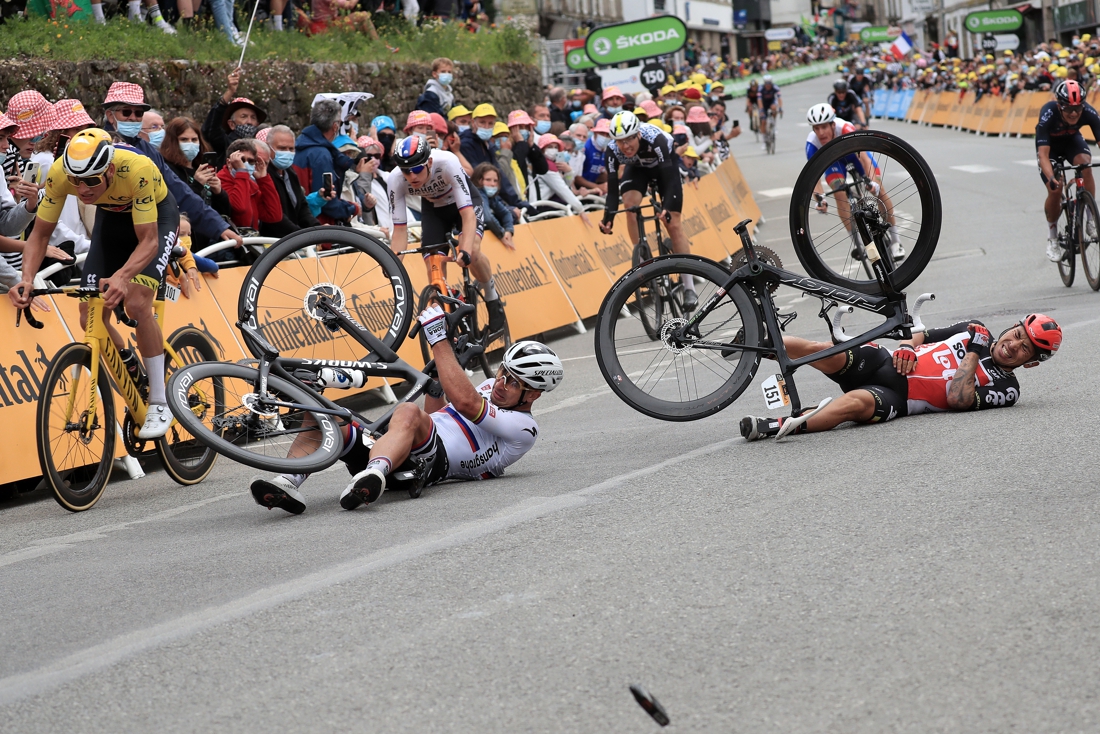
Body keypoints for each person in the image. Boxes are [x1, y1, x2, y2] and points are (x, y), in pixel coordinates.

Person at [248, 303, 563, 514]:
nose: (500, 382)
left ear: (532, 395)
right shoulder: (489, 390)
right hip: (406, 442)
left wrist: (438, 340)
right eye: (502, 372)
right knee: (322, 414)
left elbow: (465, 404)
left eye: (512, 382)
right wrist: (440, 379)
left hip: (433, 464)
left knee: (409, 412)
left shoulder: (525, 429)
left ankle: (373, 475)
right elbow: (439, 413)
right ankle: (288, 483)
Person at [7, 129, 179, 439]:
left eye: (91, 181)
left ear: (109, 169)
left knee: (137, 303)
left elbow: (149, 241)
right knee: (89, 315)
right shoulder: (60, 174)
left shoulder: (138, 169)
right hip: (110, 220)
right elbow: (39, 235)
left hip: (156, 219)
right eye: (76, 181)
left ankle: (159, 400)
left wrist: (123, 276)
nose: (82, 190)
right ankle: (127, 360)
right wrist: (27, 280)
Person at [740, 314, 1062, 441]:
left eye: (1024, 350)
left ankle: (780, 426)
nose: (1013, 345)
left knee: (856, 405)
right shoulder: (973, 329)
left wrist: (974, 353)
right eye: (1018, 334)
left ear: (1030, 364)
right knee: (825, 351)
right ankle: (755, 343)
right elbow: (921, 333)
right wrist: (908, 345)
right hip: (885, 361)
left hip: (900, 398)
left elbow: (957, 399)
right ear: (1013, 326)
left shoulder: (1008, 388)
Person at [101, 82, 244, 255]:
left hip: (148, 235)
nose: (133, 117)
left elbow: (177, 189)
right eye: (126, 112)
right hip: (110, 232)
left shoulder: (146, 149)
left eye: (139, 113)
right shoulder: (101, 145)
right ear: (110, 116)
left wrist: (218, 226)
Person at [387, 135, 507, 334]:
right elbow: (400, 229)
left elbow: (468, 215)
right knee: (432, 262)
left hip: (465, 204)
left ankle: (493, 298)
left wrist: (466, 250)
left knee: (473, 252)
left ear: (430, 162)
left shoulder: (447, 162)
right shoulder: (395, 179)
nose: (412, 176)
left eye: (417, 169)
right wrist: (393, 263)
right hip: (434, 209)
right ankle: (449, 300)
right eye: (406, 171)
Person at [599, 110, 697, 309]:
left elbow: (669, 180)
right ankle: (644, 261)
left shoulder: (657, 140)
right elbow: (611, 189)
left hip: (664, 168)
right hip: (637, 170)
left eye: (629, 140)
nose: (625, 146)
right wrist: (607, 216)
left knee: (673, 222)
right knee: (629, 205)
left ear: (638, 134)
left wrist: (668, 207)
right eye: (620, 141)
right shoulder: (612, 150)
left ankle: (689, 287)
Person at [805, 103, 904, 261]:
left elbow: (864, 158)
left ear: (832, 123)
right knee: (839, 193)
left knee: (879, 189)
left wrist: (873, 183)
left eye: (824, 127)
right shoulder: (812, 144)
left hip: (855, 156)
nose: (820, 133)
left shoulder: (845, 129)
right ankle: (859, 244)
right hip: (835, 164)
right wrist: (819, 199)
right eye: (816, 128)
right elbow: (813, 177)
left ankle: (896, 242)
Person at [1036, 79, 1100, 261]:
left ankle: (1090, 218)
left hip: (1072, 142)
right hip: (1050, 149)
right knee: (1055, 188)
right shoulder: (1048, 114)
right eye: (1068, 109)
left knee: (1085, 164)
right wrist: (1051, 178)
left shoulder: (1088, 112)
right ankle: (1053, 238)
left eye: (1078, 109)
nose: (1073, 114)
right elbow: (1043, 155)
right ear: (1059, 106)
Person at [293, 98, 359, 225]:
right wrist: (352, 208)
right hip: (318, 227)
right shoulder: (321, 154)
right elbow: (327, 200)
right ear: (335, 126)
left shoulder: (299, 145)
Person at [260, 124, 321, 237]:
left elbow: (302, 206)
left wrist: (316, 228)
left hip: (294, 240)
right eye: (282, 148)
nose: (287, 153)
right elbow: (276, 215)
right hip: (273, 242)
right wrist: (299, 235)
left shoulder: (290, 172)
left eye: (291, 149)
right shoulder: (262, 175)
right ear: (268, 148)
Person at [202, 69, 267, 163]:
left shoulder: (260, 147)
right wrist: (229, 92)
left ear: (257, 124)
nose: (249, 121)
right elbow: (211, 128)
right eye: (244, 116)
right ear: (231, 124)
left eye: (253, 117)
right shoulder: (223, 143)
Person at [217, 139, 282, 232]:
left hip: (248, 239)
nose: (245, 164)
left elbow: (273, 215)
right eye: (241, 160)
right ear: (229, 162)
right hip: (228, 242)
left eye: (251, 161)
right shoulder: (220, 181)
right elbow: (240, 208)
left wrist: (263, 179)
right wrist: (241, 172)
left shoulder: (251, 185)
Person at [472, 162, 514, 248]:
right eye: (488, 180)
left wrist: (509, 230)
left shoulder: (491, 197)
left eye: (495, 181)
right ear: (479, 180)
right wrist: (501, 235)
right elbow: (487, 218)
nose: (492, 184)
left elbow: (506, 213)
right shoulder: (478, 194)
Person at [758, 75, 782, 142]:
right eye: (766, 83)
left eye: (769, 83)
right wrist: (761, 110)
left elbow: (779, 98)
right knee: (763, 121)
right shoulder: (760, 88)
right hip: (763, 104)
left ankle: (774, 125)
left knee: (774, 108)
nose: (768, 85)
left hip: (771, 102)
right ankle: (764, 139)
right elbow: (759, 100)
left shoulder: (775, 87)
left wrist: (780, 108)